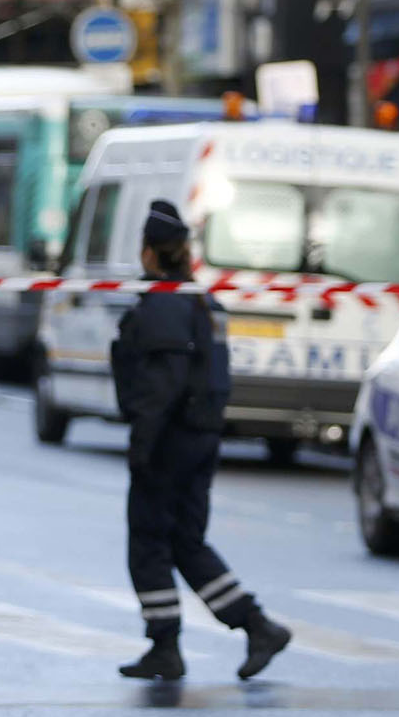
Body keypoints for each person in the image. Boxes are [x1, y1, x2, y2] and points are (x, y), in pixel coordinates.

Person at [110, 199, 293, 683]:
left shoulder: (164, 305)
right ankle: (256, 626)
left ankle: (165, 646)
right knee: (186, 543)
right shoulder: (200, 301)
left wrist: (142, 446)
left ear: (149, 253)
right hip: (201, 438)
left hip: (169, 441)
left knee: (149, 542)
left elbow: (162, 386)